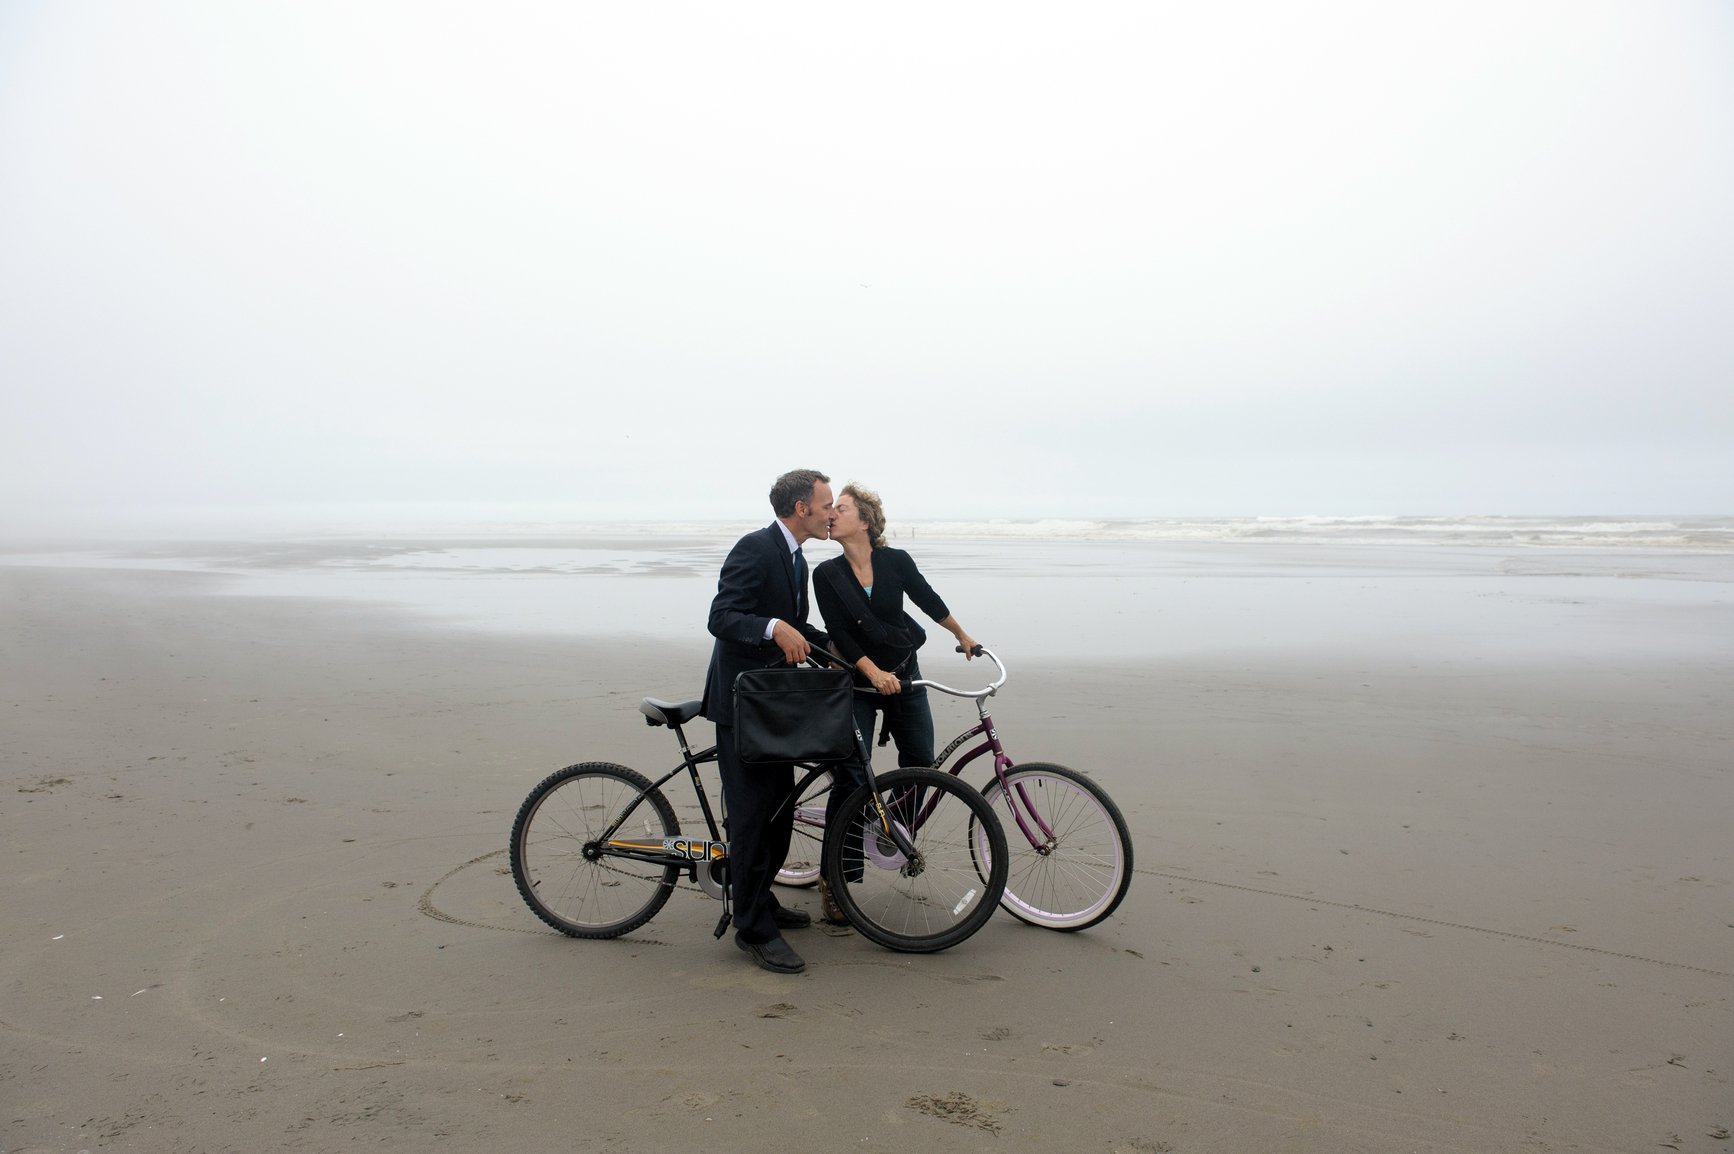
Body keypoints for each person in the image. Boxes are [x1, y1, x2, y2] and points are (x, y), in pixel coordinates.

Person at [813, 483, 979, 921]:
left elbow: (927, 599)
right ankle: (836, 878)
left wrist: (961, 634)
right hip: (860, 681)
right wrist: (870, 672)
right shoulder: (826, 575)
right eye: (830, 509)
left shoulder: (895, 561)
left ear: (864, 520)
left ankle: (882, 824)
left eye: (841, 508)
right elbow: (841, 634)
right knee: (851, 775)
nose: (831, 514)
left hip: (904, 672)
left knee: (922, 759)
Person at [700, 468, 835, 974]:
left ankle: (763, 899)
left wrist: (839, 650)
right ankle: (752, 928)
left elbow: (796, 625)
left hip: (772, 707)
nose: (830, 514)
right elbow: (722, 617)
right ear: (801, 508)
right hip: (741, 707)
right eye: (825, 506)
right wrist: (772, 627)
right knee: (754, 820)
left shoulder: (796, 559)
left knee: (779, 813)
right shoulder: (756, 547)